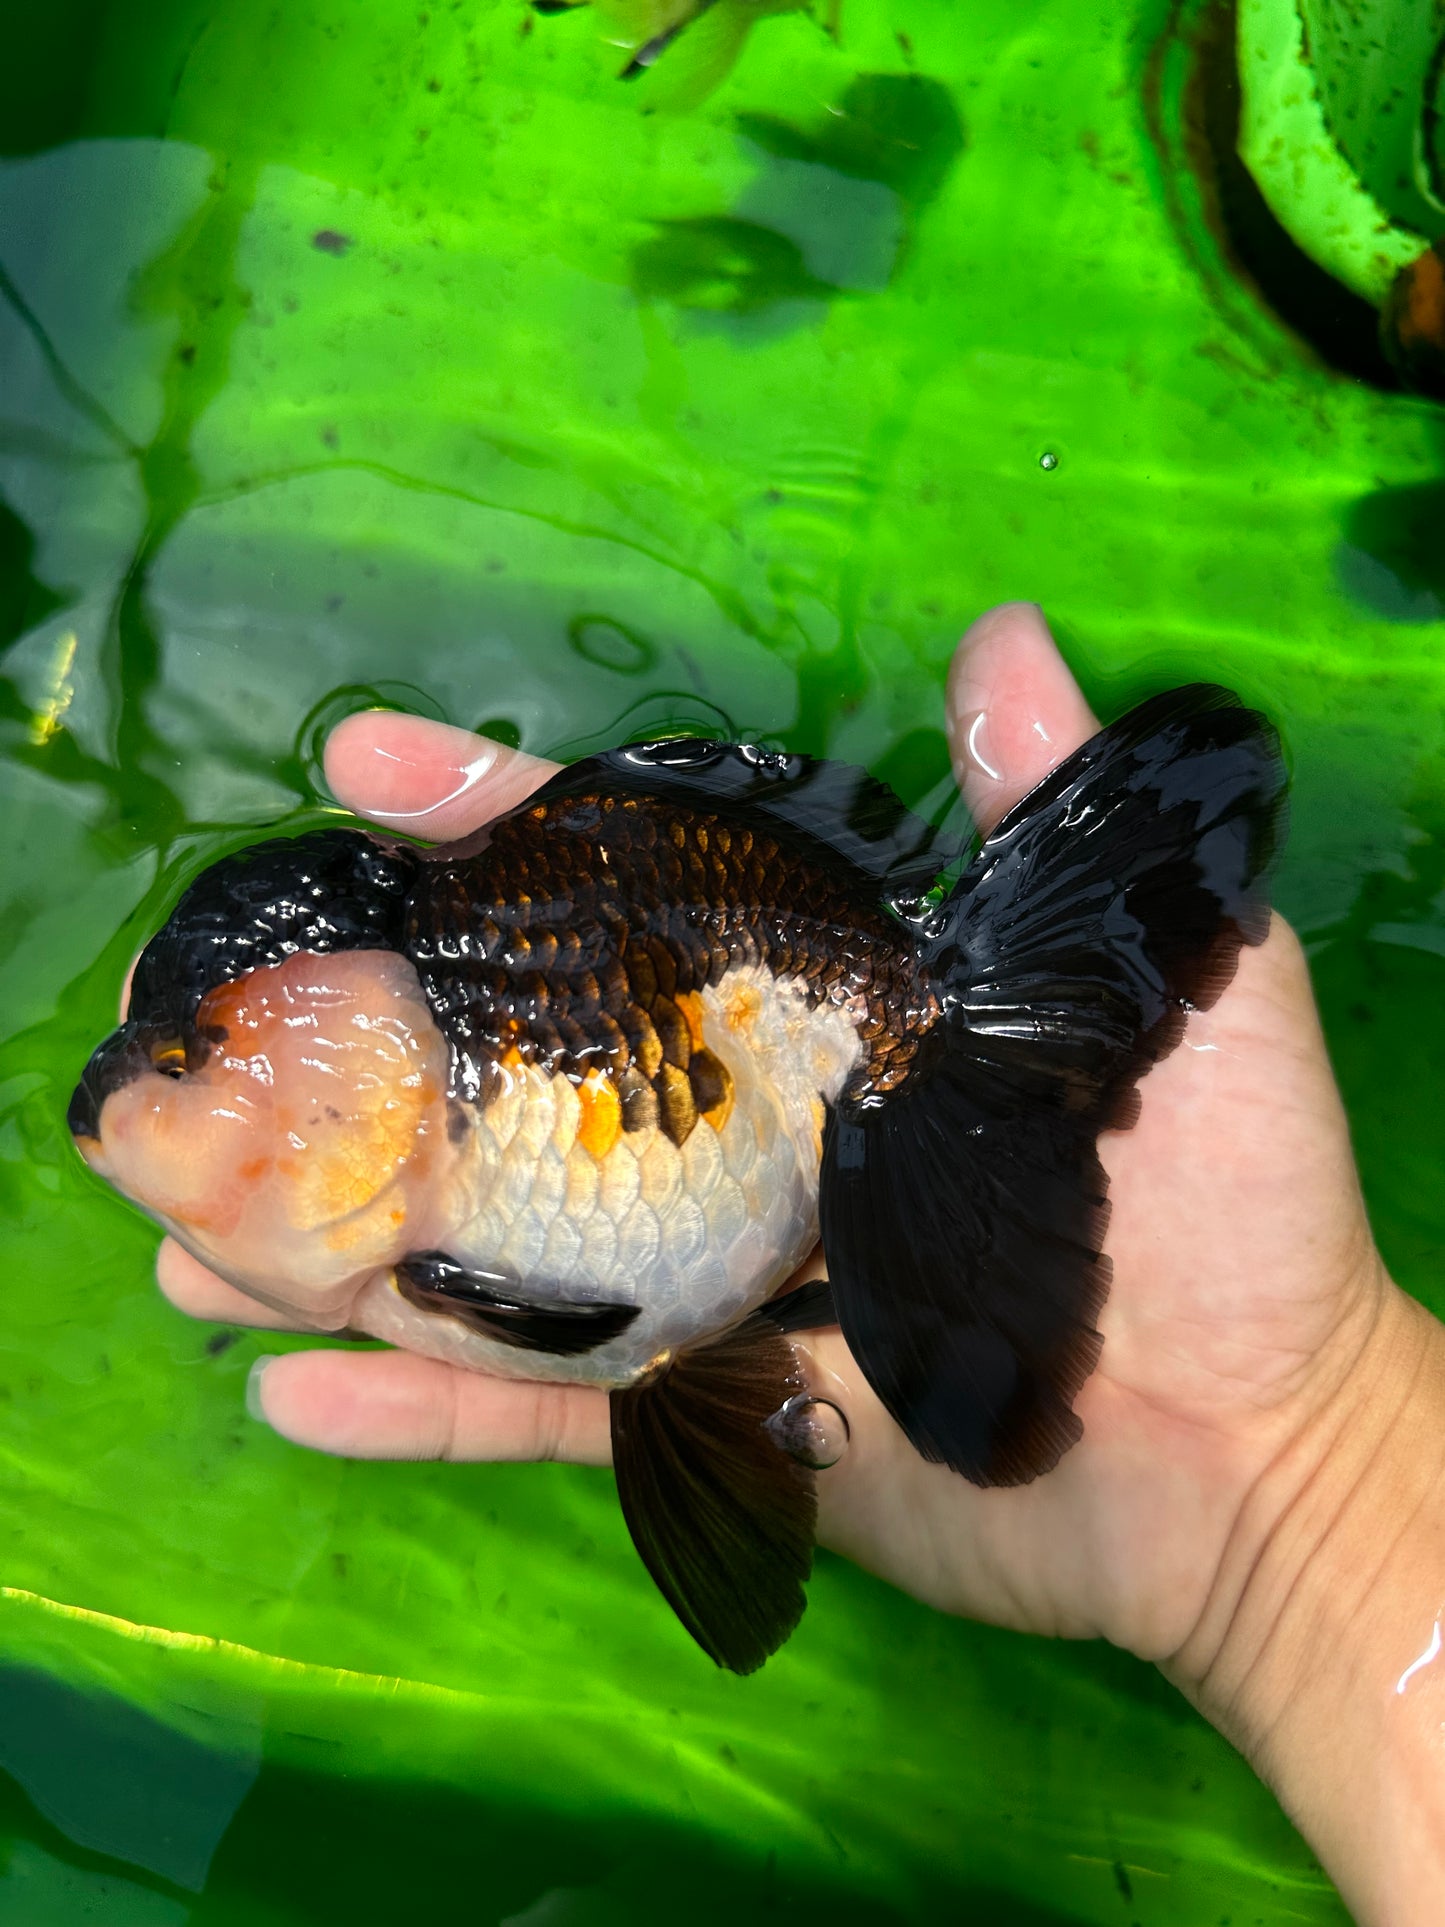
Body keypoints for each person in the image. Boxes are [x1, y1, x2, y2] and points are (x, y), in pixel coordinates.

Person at [150, 602, 1445, 1924]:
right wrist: (1293, 1496)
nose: (162, 1109)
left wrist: (1301, 1453)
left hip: (793, 1027)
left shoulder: (434, 1176)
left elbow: (584, 1313)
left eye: (189, 1060)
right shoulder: (413, 1206)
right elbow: (598, 1323)